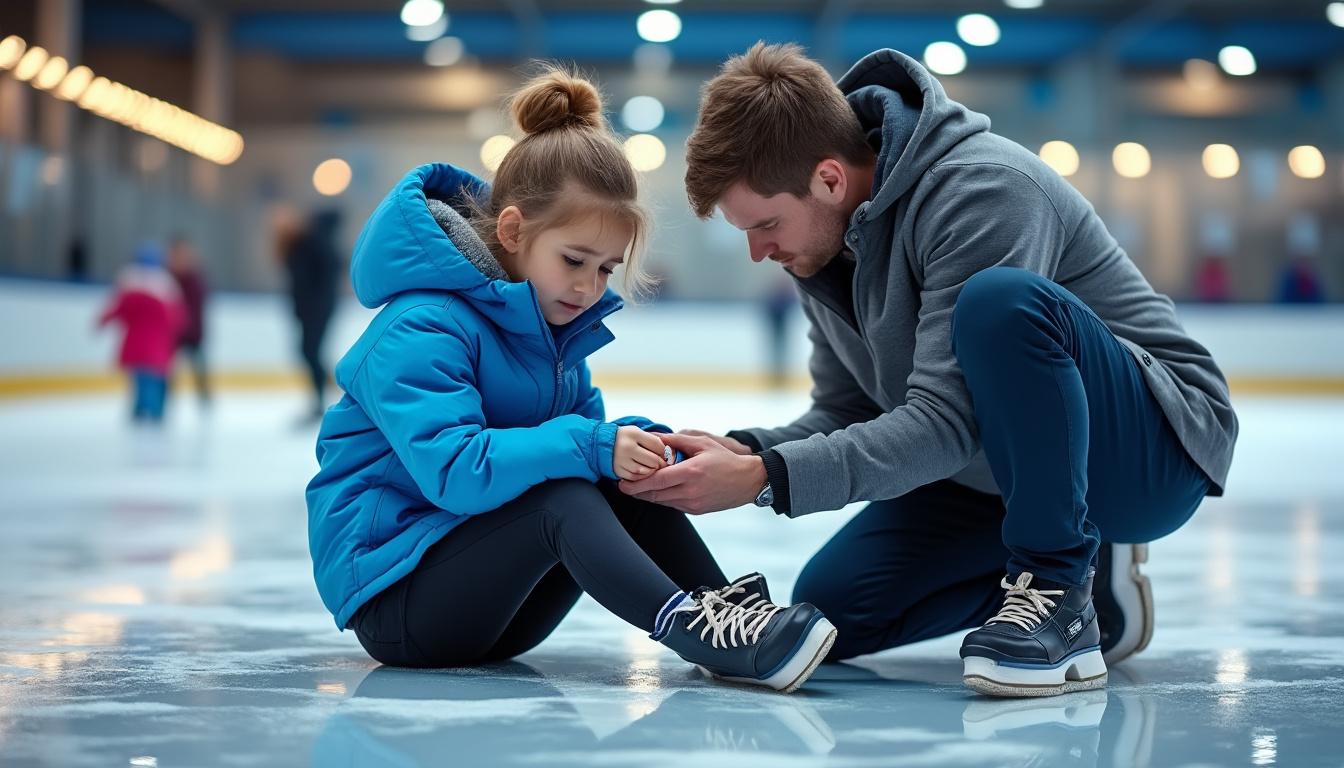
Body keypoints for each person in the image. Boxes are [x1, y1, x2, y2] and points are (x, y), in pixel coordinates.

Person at [620, 44, 1239, 697]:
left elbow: (946, 423)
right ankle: (1097, 583)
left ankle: (1058, 585)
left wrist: (763, 479)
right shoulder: (820, 245)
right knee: (835, 607)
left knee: (1001, 303)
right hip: (992, 467)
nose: (758, 252)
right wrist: (745, 449)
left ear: (829, 179)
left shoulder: (983, 188)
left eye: (766, 224)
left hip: (1148, 451)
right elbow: (851, 411)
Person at [305, 68, 836, 693]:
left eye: (607, 268)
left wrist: (635, 449)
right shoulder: (422, 328)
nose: (589, 287)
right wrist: (591, 446)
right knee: (564, 493)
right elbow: (454, 470)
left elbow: (582, 448)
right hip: (400, 603)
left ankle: (723, 610)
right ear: (512, 233)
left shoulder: (552, 337)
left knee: (612, 480)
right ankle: (691, 628)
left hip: (497, 605)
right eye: (574, 260)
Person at [97, 242, 185, 424]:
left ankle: (140, 409)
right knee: (152, 379)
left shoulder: (130, 286)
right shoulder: (166, 288)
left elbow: (117, 310)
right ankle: (152, 410)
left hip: (136, 345)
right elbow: (177, 319)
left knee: (140, 380)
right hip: (157, 347)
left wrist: (103, 321)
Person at [282, 208, 341, 422]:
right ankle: (320, 399)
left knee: (310, 352)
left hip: (315, 310)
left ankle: (322, 399)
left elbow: (306, 279)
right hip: (316, 309)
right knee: (310, 352)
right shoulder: (317, 243)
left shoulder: (314, 243)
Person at [167, 235, 211, 407]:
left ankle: (205, 400)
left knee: (200, 370)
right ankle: (165, 401)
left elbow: (198, 309)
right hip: (173, 335)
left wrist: (191, 328)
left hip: (193, 335)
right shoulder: (167, 277)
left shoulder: (196, 279)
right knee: (167, 371)